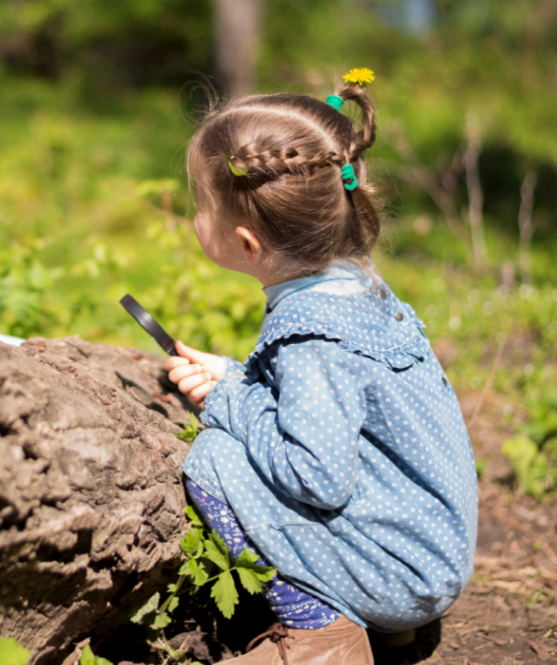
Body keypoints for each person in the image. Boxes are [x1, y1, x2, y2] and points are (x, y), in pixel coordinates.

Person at [163, 72, 478, 664]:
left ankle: (321, 634)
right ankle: (393, 630)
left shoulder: (312, 336)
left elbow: (314, 478)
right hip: (429, 549)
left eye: (199, 206)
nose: (194, 218)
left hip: (404, 575)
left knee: (212, 461)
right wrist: (237, 379)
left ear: (247, 244)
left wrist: (231, 398)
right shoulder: (358, 292)